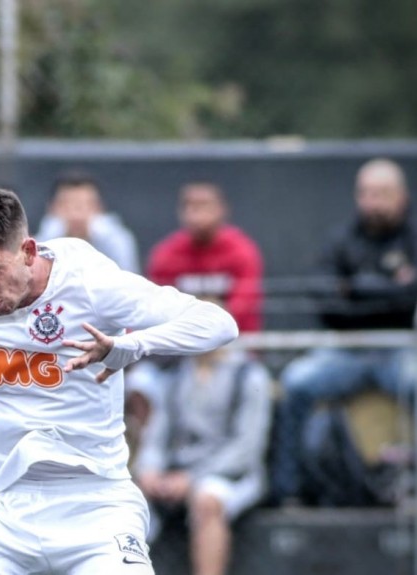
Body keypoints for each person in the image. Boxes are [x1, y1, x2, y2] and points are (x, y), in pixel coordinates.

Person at [0, 183, 238, 575]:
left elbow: (218, 324)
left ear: (28, 251)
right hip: (6, 508)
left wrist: (133, 346)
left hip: (97, 506)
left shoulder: (90, 281)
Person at [271, 158, 417, 505]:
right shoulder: (341, 240)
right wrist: (388, 289)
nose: (374, 203)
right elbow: (324, 299)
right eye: (366, 194)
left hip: (400, 349)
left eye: (382, 194)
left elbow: (409, 301)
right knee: (295, 383)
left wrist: (356, 289)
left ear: (401, 196)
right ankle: (288, 491)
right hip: (347, 350)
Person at [133, 295, 272, 575]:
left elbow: (246, 449)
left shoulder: (249, 375)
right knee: (127, 498)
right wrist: (149, 470)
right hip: (177, 472)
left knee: (207, 499)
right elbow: (156, 437)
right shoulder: (175, 376)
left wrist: (192, 478)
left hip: (231, 475)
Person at [147, 181, 264, 332]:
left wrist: (210, 327)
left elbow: (245, 303)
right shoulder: (167, 253)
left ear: (221, 209)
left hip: (233, 339)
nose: (196, 214)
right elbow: (156, 305)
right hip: (179, 338)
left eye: (204, 206)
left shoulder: (240, 250)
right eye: (189, 206)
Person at [35, 170, 140, 273]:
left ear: (100, 208)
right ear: (52, 208)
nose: (76, 214)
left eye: (85, 205)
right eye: (67, 205)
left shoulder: (116, 240)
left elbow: (129, 278)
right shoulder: (40, 241)